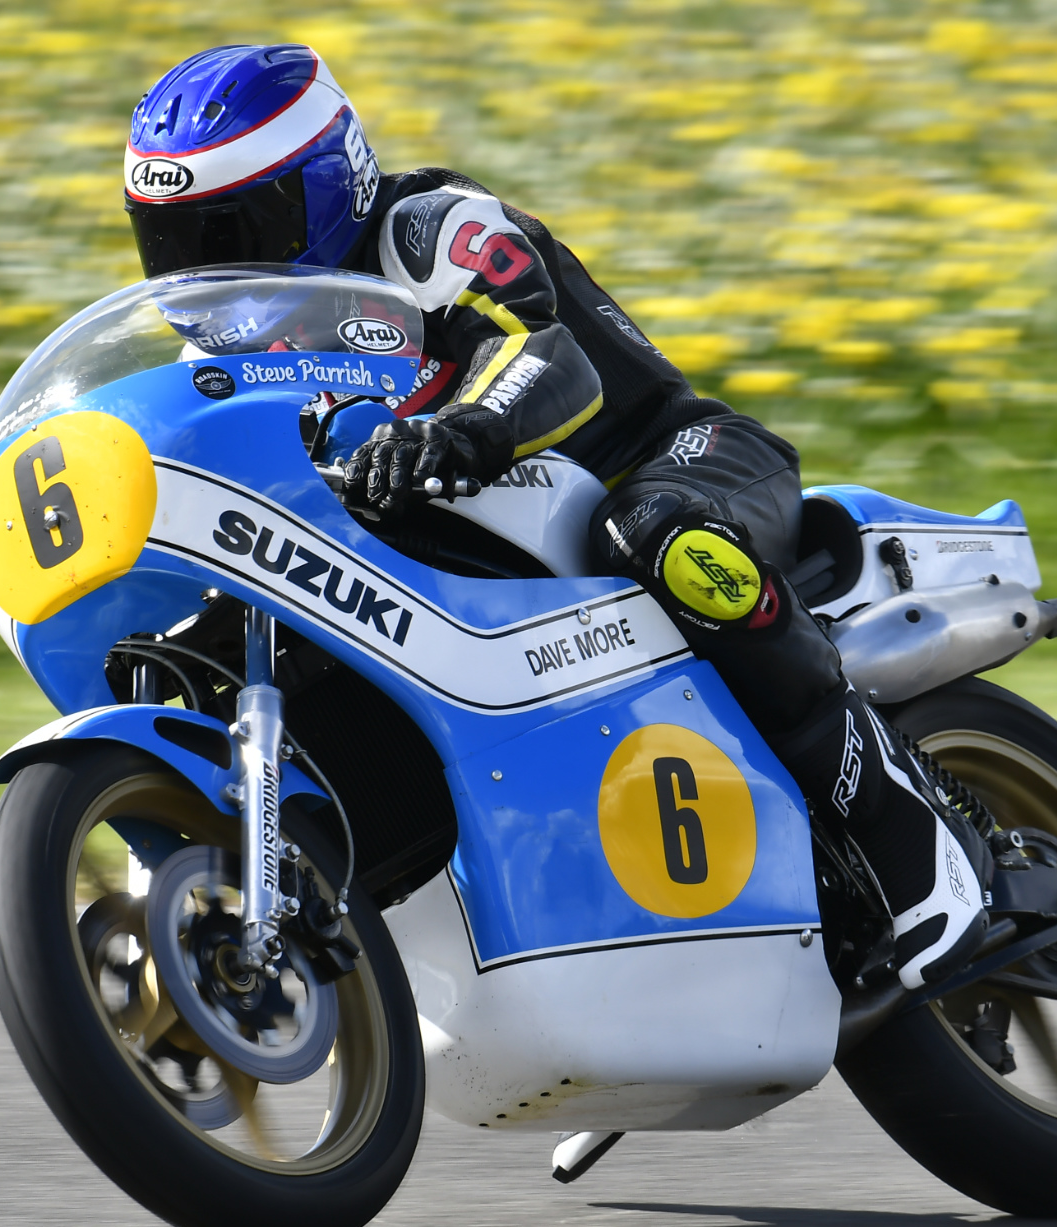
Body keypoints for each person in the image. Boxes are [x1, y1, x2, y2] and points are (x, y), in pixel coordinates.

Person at [123, 44, 989, 989]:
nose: (204, 269)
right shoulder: (242, 365)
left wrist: (466, 428)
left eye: (234, 228)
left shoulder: (426, 229)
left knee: (659, 534)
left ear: (330, 183)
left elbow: (548, 351)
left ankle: (911, 833)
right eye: (173, 242)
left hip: (669, 457)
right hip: (515, 562)